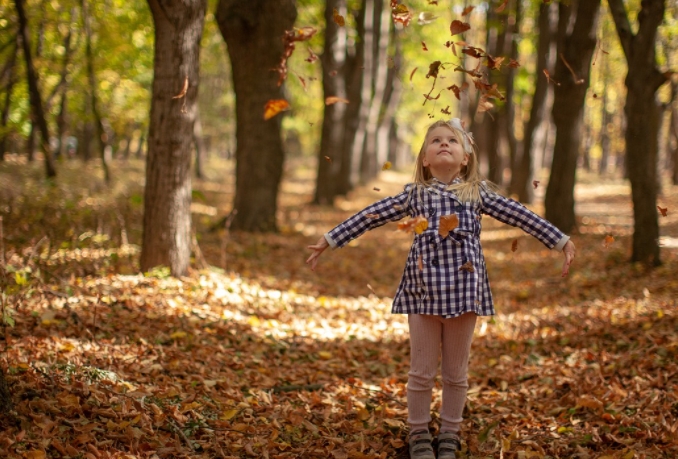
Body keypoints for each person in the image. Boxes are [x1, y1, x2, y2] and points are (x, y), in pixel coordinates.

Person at [306, 119, 576, 459]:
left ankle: (449, 433)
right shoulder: (415, 195)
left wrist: (561, 241)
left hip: (465, 293)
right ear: (424, 159)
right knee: (420, 372)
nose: (444, 144)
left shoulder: (476, 194)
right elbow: (371, 214)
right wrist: (330, 239)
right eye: (435, 141)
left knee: (455, 372)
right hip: (422, 293)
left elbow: (520, 215)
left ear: (465, 157)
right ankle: (418, 433)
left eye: (452, 140)